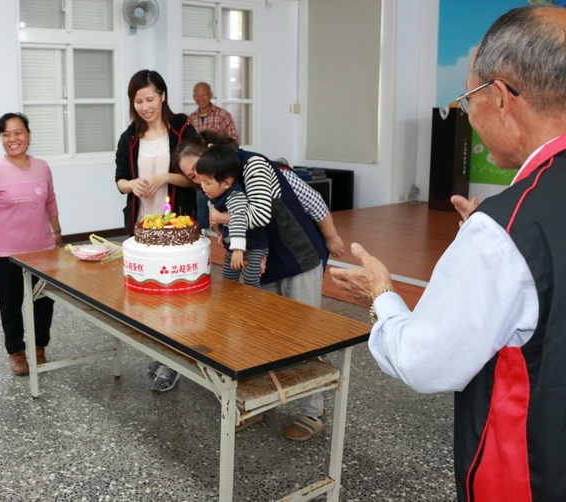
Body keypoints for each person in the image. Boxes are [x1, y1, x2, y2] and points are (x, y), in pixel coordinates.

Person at [330, 5, 566, 500]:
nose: (467, 108)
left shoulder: (505, 233)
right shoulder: (509, 229)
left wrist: (382, 295)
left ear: (502, 97)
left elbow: (423, 360)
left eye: (468, 94)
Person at [177, 130, 346, 437]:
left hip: (297, 257)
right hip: (264, 263)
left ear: (211, 151)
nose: (200, 182)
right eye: (193, 178)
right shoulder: (219, 180)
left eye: (200, 172)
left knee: (305, 336)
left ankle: (314, 410)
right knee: (262, 338)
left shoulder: (254, 165)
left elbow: (261, 213)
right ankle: (262, 403)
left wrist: (221, 217)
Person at [115, 69, 197, 392]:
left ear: (163, 96)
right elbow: (119, 180)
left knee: (176, 292)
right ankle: (164, 350)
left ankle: (174, 357)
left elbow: (195, 177)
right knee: (148, 292)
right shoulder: (130, 137)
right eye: (138, 101)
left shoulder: (182, 130)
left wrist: (164, 177)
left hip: (177, 224)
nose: (145, 106)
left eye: (150, 99)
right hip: (143, 225)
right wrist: (132, 184)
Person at [0, 112, 62, 376]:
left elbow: (50, 201)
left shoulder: (42, 167)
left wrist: (57, 232)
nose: (13, 139)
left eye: (18, 132)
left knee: (44, 302)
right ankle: (16, 351)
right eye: (5, 134)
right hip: (6, 254)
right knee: (11, 305)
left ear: (29, 135)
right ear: (1, 139)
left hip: (43, 250)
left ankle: (39, 346)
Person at [195, 144, 268, 287]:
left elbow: (238, 219)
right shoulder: (217, 193)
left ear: (227, 183)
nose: (202, 186)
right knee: (228, 279)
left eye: (207, 183)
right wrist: (223, 233)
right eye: (201, 181)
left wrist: (238, 250)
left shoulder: (236, 197)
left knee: (251, 280)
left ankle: (253, 305)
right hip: (233, 245)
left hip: (253, 246)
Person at [188, 81, 239, 232]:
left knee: (221, 202)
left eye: (204, 94)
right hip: (201, 169)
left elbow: (234, 141)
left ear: (210, 95)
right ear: (193, 97)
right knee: (201, 201)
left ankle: (222, 234)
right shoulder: (191, 119)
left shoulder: (223, 115)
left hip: (218, 168)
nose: (200, 98)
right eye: (197, 95)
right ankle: (204, 234)